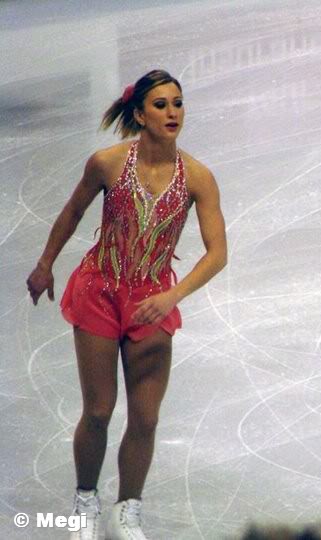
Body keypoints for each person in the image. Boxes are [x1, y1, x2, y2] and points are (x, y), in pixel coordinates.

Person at [25, 69, 227, 540]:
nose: (172, 113)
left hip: (153, 300)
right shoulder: (108, 163)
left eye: (178, 103)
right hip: (98, 292)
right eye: (161, 104)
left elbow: (218, 253)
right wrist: (45, 264)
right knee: (98, 411)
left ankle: (127, 511)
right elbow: (72, 212)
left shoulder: (198, 178)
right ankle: (85, 502)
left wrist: (172, 295)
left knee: (147, 417)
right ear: (139, 113)